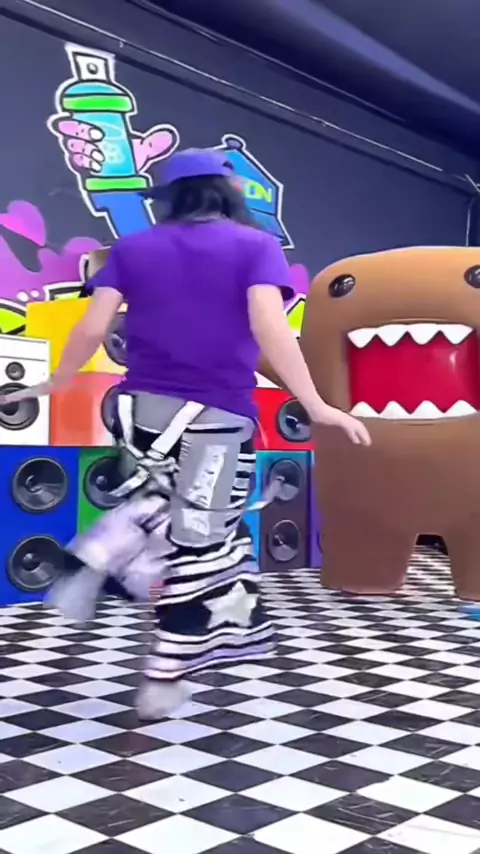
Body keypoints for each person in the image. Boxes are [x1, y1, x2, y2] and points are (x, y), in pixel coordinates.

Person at [0, 148, 371, 719]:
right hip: (214, 417)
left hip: (138, 411)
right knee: (204, 548)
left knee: (159, 502)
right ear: (228, 192)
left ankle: (94, 555)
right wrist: (318, 404)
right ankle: (164, 675)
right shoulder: (256, 246)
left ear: (169, 198)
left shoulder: (134, 248)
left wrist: (57, 381)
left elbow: (94, 325)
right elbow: (269, 327)